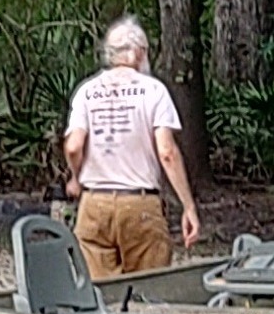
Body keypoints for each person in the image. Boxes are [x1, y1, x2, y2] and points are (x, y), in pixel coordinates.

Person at [59, 15, 198, 286]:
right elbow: (167, 151)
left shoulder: (86, 91)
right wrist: (188, 206)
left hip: (94, 205)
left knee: (99, 296)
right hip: (140, 204)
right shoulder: (153, 91)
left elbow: (74, 145)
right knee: (148, 292)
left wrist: (75, 178)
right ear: (137, 53)